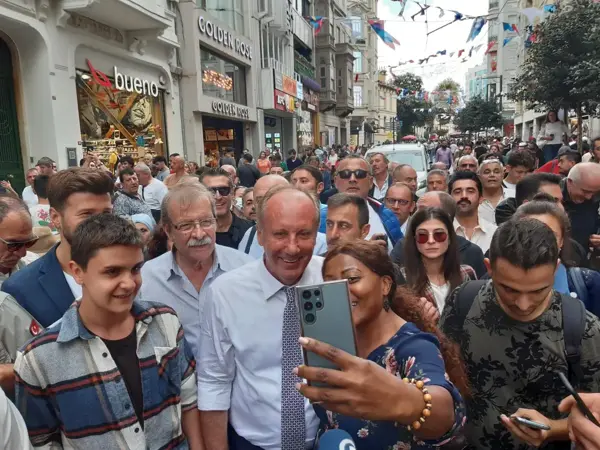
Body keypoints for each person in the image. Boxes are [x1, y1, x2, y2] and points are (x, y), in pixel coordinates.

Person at [14, 214, 203, 449]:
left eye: (135, 269)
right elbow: (41, 440)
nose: (129, 283)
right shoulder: (38, 359)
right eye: (112, 272)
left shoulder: (165, 322)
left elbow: (188, 401)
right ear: (78, 272)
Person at [440, 218, 600, 449]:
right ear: (489, 267)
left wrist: (552, 429)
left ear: (556, 269)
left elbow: (594, 416)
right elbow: (443, 370)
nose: (523, 305)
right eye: (509, 289)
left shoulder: (583, 329)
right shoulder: (464, 300)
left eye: (538, 291)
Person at [304, 240, 467, 449]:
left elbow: (443, 412)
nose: (340, 291)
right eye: (330, 282)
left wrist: (406, 401)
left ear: (385, 285)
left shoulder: (413, 346)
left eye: (352, 279)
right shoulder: (334, 345)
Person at [198, 186, 323, 450]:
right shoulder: (225, 293)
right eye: (280, 234)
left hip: (329, 441)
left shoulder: (333, 279)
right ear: (260, 236)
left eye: (304, 234)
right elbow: (214, 380)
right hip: (251, 444)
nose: (292, 247)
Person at [140, 183, 251, 357]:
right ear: (168, 231)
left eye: (206, 222)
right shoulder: (148, 278)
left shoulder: (244, 269)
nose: (199, 234)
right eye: (186, 225)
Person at [2, 168, 114, 327]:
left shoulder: (132, 272)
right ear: (55, 217)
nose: (101, 223)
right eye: (87, 214)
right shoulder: (20, 288)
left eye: (106, 213)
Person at [513, 200, 600, 315]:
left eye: (550, 235)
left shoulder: (589, 282)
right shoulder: (495, 279)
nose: (539, 242)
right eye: (530, 234)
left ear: (562, 240)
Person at [391, 191, 487, 279]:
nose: (431, 241)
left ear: (445, 216)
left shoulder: (471, 255)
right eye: (422, 237)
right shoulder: (403, 248)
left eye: (423, 210)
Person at [318, 156, 403, 248]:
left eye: (360, 174)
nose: (352, 179)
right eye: (345, 174)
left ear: (370, 182)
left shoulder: (387, 215)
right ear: (335, 181)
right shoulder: (318, 219)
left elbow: (401, 255)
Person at [402, 207, 476, 313]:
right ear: (414, 240)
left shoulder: (466, 273)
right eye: (422, 235)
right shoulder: (402, 278)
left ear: (450, 237)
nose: (431, 241)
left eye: (439, 235)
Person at [239, 175, 328, 258]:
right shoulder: (250, 234)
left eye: (275, 199)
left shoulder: (322, 245)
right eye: (260, 200)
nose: (267, 206)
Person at [200, 168, 252, 249]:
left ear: (232, 193)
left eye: (223, 190)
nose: (218, 197)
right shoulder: (195, 234)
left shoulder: (250, 232)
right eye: (211, 191)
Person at [449, 171, 497, 254]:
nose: (464, 196)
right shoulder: (442, 233)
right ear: (449, 198)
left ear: (481, 198)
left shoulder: (495, 233)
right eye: (457, 192)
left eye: (470, 191)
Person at [562, 162, 600, 252]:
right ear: (570, 182)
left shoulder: (595, 197)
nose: (589, 197)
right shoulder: (553, 196)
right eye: (585, 191)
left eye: (594, 192)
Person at [478, 159, 508, 225]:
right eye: (487, 172)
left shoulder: (514, 196)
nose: (492, 175)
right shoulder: (474, 200)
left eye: (496, 172)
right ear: (479, 177)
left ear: (503, 175)